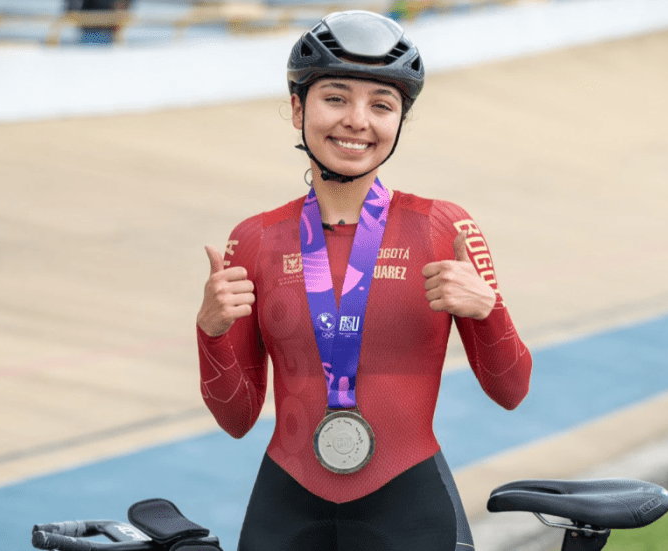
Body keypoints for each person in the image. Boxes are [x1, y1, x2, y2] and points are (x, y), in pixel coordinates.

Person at [195, 10, 532, 551]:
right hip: (288, 507)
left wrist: (488, 310)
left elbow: (511, 391)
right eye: (335, 97)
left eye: (382, 105)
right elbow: (236, 418)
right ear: (296, 107)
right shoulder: (256, 240)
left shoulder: (443, 228)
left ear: (400, 121)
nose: (357, 120)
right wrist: (210, 333)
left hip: (409, 506)